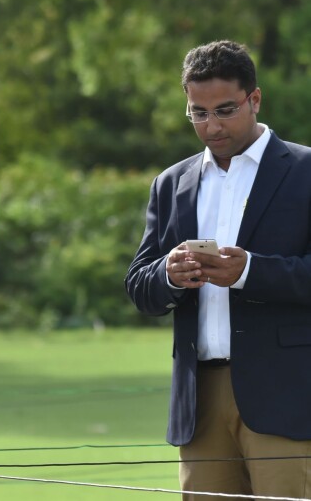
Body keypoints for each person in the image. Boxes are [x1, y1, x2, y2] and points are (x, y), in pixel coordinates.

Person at [125, 40, 311, 500]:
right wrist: (169, 274)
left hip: (286, 395)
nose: (211, 126)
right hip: (199, 400)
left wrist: (251, 272)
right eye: (198, 113)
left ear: (255, 99)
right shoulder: (171, 183)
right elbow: (139, 285)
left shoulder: (305, 171)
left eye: (224, 110)